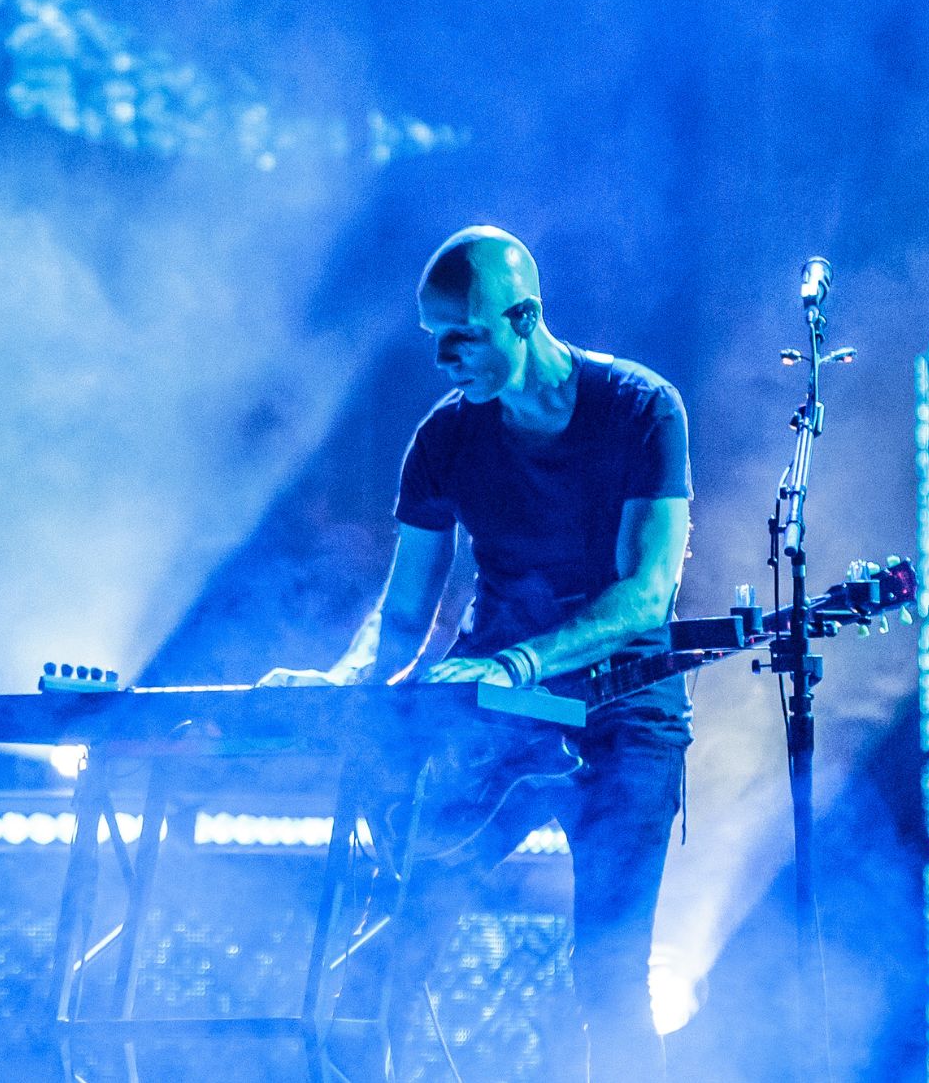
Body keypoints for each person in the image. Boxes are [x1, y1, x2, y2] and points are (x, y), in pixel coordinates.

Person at [263, 226, 692, 1078]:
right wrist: (344, 681)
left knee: (607, 977)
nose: (444, 358)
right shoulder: (445, 439)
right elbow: (404, 612)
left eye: (460, 336)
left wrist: (520, 662)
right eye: (435, 340)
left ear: (521, 317)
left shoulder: (642, 408)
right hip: (497, 720)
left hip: (626, 718)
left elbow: (648, 593)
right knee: (393, 945)